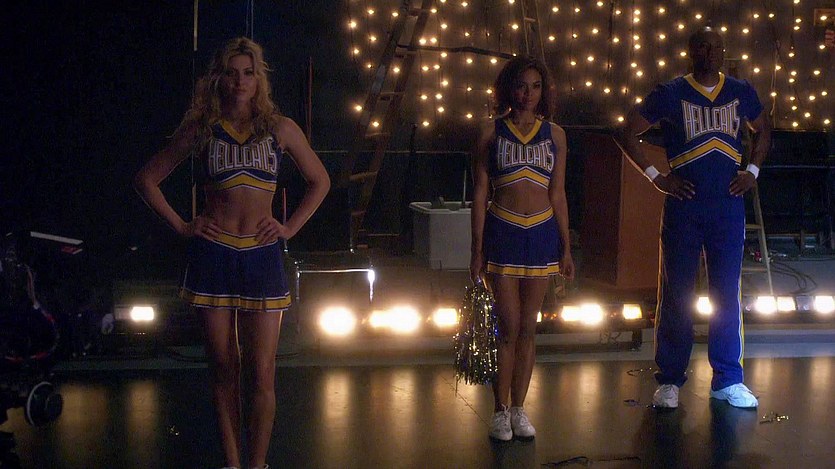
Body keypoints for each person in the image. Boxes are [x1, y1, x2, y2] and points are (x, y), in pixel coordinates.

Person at [134, 37, 330, 469]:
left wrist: (289, 228)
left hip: (262, 256)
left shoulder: (280, 128)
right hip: (214, 255)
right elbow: (147, 178)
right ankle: (232, 463)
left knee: (262, 371)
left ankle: (257, 464)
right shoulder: (203, 129)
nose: (240, 81)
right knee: (223, 368)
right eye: (231, 73)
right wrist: (183, 225)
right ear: (218, 79)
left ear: (259, 79)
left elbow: (320, 180)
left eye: (248, 73)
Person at [615, 27, 771, 409]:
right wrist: (656, 178)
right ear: (690, 52)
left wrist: (752, 171)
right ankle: (670, 378)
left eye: (715, 46)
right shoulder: (671, 93)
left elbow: (764, 128)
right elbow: (626, 131)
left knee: (726, 293)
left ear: (723, 52)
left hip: (727, 207)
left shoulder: (740, 91)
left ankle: (727, 379)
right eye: (701, 46)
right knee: (677, 294)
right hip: (684, 206)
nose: (709, 52)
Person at [470, 56, 575, 441]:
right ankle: (499, 410)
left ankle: (519, 408)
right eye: (521, 86)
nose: (528, 94)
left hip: (541, 235)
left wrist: (566, 247)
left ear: (543, 91)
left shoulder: (556, 135)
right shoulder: (490, 132)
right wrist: (476, 249)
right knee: (508, 327)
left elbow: (558, 193)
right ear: (508, 89)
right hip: (504, 232)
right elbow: (480, 193)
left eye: (535, 86)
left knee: (529, 327)